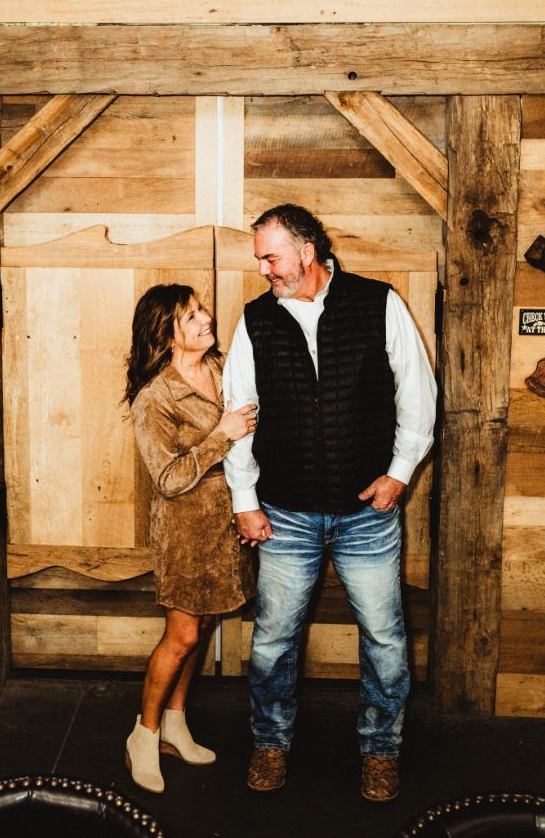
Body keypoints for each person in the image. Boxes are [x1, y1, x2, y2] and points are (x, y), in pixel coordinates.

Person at [223, 204, 437, 802]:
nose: (263, 269)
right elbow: (238, 415)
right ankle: (270, 742)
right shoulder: (255, 321)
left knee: (385, 639)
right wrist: (244, 499)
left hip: (368, 514)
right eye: (260, 259)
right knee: (272, 641)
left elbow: (418, 396)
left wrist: (399, 474)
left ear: (307, 251)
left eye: (271, 257)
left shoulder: (379, 302)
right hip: (284, 514)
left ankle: (381, 750)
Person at [124, 283, 257, 794]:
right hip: (184, 531)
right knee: (181, 635)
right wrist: (222, 435)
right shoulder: (155, 396)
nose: (206, 319)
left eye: (202, 310)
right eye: (192, 316)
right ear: (167, 333)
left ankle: (175, 723)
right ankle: (144, 734)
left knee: (200, 628)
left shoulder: (220, 368)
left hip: (224, 523)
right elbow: (167, 478)